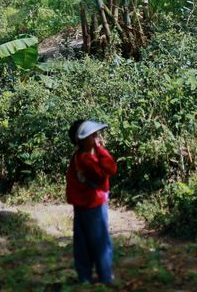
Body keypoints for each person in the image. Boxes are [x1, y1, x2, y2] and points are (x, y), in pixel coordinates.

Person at [66, 119, 117, 286]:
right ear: (83, 140)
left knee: (82, 243)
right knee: (100, 242)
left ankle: (85, 278)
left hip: (81, 206)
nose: (96, 137)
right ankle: (105, 278)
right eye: (92, 135)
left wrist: (97, 150)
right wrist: (101, 149)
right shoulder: (87, 159)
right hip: (93, 206)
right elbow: (110, 170)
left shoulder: (77, 156)